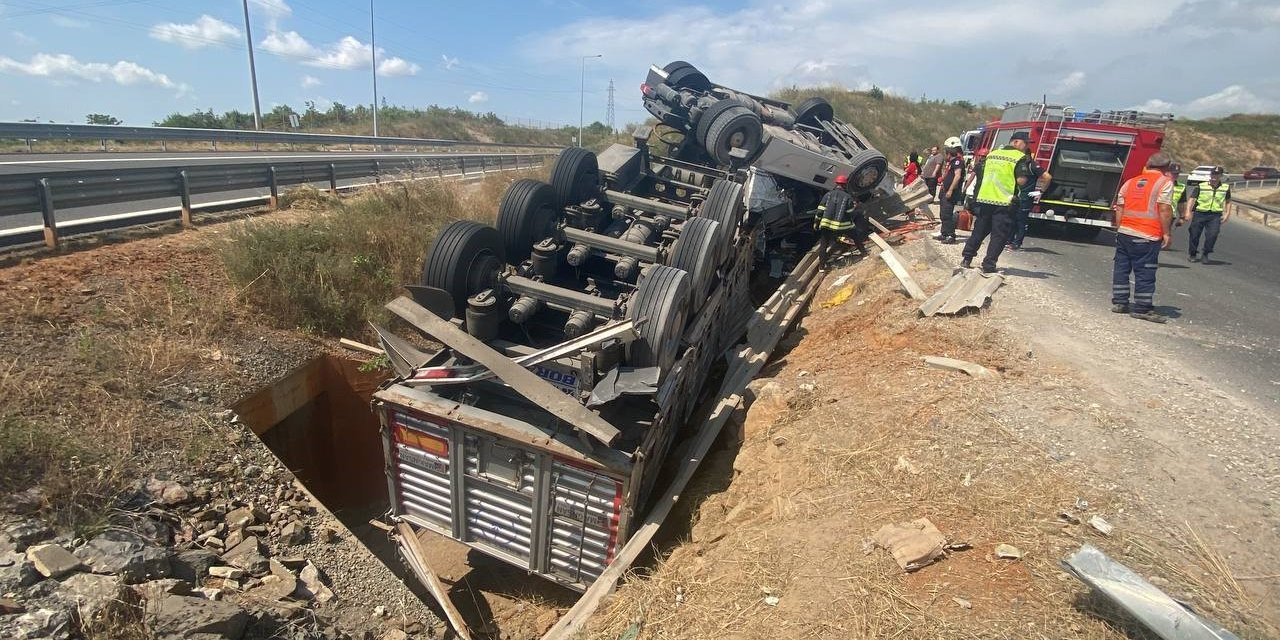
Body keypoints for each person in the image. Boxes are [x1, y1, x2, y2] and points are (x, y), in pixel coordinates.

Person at [1111, 152, 1174, 323]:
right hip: (1147, 235)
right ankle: (1142, 308)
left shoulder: (1130, 182)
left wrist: (1120, 228)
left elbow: (1119, 208)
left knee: (1121, 268)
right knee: (1145, 271)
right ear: (1166, 168)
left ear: (1148, 164)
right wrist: (1166, 233)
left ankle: (1120, 303)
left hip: (1125, 232)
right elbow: (1164, 209)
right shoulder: (1164, 183)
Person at [961, 133, 1034, 273]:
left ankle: (967, 258)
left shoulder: (992, 154)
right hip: (1004, 202)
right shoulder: (1019, 158)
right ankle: (989, 265)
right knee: (999, 235)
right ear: (1017, 142)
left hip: (984, 198)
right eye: (1026, 143)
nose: (1027, 146)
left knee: (979, 231)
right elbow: (1021, 181)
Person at [814, 174, 867, 265]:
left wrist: (816, 223)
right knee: (856, 238)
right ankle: (864, 254)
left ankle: (821, 267)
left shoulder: (828, 195)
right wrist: (854, 212)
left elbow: (820, 211)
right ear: (845, 185)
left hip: (826, 226)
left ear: (836, 184)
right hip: (843, 226)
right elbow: (850, 212)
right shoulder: (847, 197)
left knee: (824, 245)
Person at [1185, 166, 1231, 263]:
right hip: (1200, 213)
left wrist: (1227, 214)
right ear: (1210, 175)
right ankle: (1192, 253)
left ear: (1221, 176)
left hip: (1215, 215)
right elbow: (1192, 199)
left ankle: (1205, 253)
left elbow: (1228, 201)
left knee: (1213, 235)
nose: (1214, 176)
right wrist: (1188, 212)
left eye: (1217, 175)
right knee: (1194, 234)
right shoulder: (1201, 186)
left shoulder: (1225, 188)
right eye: (1213, 174)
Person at [1008, 155, 1050, 250]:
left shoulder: (1032, 165)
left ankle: (1016, 243)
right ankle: (1009, 241)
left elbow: (1048, 177)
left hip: (1025, 198)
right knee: (1012, 220)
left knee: (1020, 222)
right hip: (1015, 198)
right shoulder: (1018, 165)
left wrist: (1040, 191)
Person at [934, 141, 966, 244]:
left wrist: (950, 190)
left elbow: (957, 176)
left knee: (947, 214)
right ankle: (944, 233)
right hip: (944, 191)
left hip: (950, 192)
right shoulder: (951, 163)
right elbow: (948, 174)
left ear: (949, 153)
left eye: (946, 153)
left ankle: (951, 235)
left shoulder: (958, 162)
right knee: (943, 214)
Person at [1168, 163, 1188, 227]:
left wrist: (1182, 217)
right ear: (1167, 172)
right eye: (1173, 173)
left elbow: (1181, 203)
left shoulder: (1181, 186)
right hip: (1157, 215)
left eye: (1177, 173)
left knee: (1166, 234)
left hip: (1171, 215)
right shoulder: (1160, 183)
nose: (1175, 175)